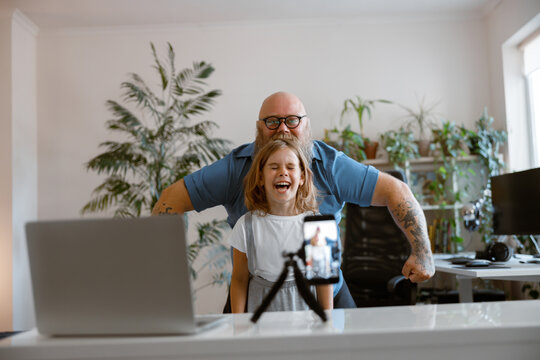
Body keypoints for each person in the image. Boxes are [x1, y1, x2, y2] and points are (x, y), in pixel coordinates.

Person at [153, 91, 435, 308]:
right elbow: (170, 200)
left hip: (326, 292)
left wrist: (422, 252)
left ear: (305, 176)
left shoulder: (330, 166)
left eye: (292, 120)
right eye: (272, 121)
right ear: (259, 128)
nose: (283, 129)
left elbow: (396, 190)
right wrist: (164, 272)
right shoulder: (234, 171)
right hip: (256, 297)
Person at [229, 137, 332, 312]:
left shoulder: (317, 224)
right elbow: (239, 279)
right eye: (274, 167)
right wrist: (237, 323)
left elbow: (324, 279)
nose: (283, 172)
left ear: (302, 177)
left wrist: (328, 322)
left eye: (290, 167)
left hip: (304, 317)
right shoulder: (245, 226)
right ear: (261, 178)